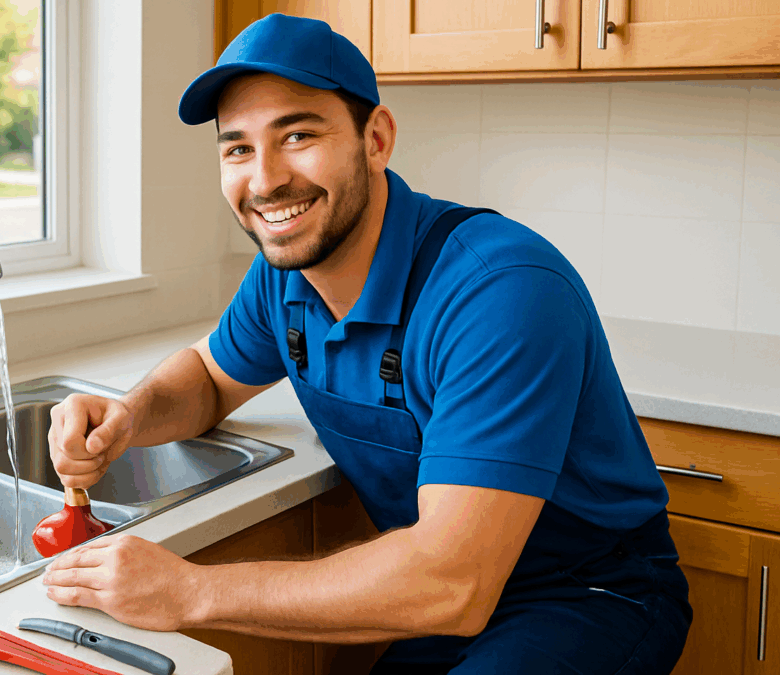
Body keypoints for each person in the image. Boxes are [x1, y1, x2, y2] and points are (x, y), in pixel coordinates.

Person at [41, 13, 692, 674]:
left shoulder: (501, 291)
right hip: (441, 593)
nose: (264, 180)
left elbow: (452, 581)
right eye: (237, 147)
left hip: (589, 595)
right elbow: (208, 378)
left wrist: (190, 591)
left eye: (297, 134)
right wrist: (128, 416)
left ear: (375, 139)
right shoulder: (281, 278)